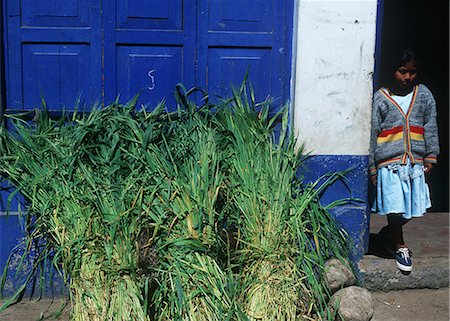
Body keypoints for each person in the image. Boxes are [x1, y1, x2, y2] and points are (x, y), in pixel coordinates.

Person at [369, 48, 440, 273]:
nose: (407, 77)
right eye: (402, 71)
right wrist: (372, 166)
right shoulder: (381, 98)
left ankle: (389, 234)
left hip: (415, 162)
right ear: (392, 71)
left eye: (412, 72)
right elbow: (372, 132)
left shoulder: (424, 95)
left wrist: (431, 155)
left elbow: (430, 125)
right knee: (395, 206)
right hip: (389, 164)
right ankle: (400, 246)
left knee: (415, 205)